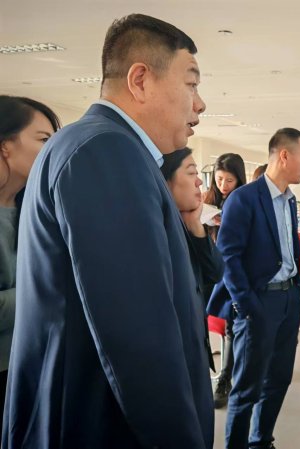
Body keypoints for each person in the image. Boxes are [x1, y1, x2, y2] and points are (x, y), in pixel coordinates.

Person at [4, 14, 214, 449]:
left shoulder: (98, 146)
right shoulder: (106, 149)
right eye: (191, 84)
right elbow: (138, 338)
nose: (200, 104)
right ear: (140, 80)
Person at [208, 128, 300, 449]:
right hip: (258, 303)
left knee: (279, 379)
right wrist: (247, 305)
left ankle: (261, 441)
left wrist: (296, 292)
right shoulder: (244, 198)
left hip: (288, 300)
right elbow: (229, 256)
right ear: (285, 155)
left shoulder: (289, 201)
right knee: (247, 388)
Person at [0, 96, 60, 431]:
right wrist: (42, 289)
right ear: (5, 145)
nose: (52, 150)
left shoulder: (34, 210)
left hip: (28, 367)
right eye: (43, 139)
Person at [159, 147, 224, 373]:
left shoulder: (186, 226)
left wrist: (195, 225)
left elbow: (215, 272)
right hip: (173, 358)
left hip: (195, 347)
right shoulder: (158, 232)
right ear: (166, 182)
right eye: (191, 173)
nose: (199, 182)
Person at [202, 152, 247, 408]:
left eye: (229, 180)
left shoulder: (242, 201)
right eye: (219, 179)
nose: (223, 185)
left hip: (229, 272)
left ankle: (225, 379)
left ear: (239, 179)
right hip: (207, 270)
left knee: (231, 326)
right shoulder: (206, 200)